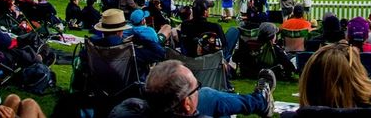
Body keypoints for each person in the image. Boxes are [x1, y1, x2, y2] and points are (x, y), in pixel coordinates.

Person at [112, 59, 275, 118]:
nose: (198, 88)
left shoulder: (127, 108)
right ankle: (260, 100)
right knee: (209, 96)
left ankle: (259, 101)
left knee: (209, 96)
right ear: (186, 104)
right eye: (196, 86)